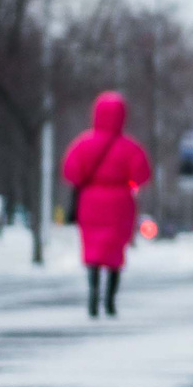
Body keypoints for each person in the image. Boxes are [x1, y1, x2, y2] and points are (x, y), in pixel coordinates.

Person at [62, 91, 153, 319]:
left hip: (90, 203)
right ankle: (110, 300)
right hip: (119, 205)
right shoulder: (130, 148)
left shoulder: (83, 144)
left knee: (92, 250)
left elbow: (70, 171)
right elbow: (142, 174)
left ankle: (93, 291)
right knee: (114, 252)